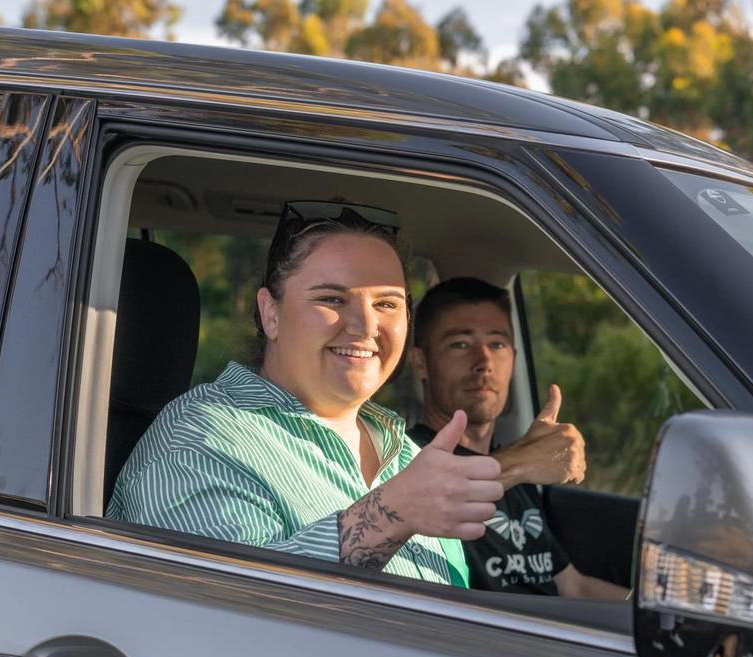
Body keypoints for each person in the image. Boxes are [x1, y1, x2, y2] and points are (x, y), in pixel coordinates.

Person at [106, 202, 503, 587]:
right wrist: (389, 513)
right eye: (331, 299)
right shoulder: (199, 442)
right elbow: (227, 614)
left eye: (386, 303)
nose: (366, 326)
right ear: (270, 314)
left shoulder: (405, 454)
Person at [408, 277, 628, 599]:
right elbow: (416, 501)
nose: (484, 362)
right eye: (460, 344)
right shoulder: (407, 458)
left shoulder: (520, 475)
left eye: (496, 345)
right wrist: (520, 461)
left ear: (512, 358)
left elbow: (572, 586)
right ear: (421, 362)